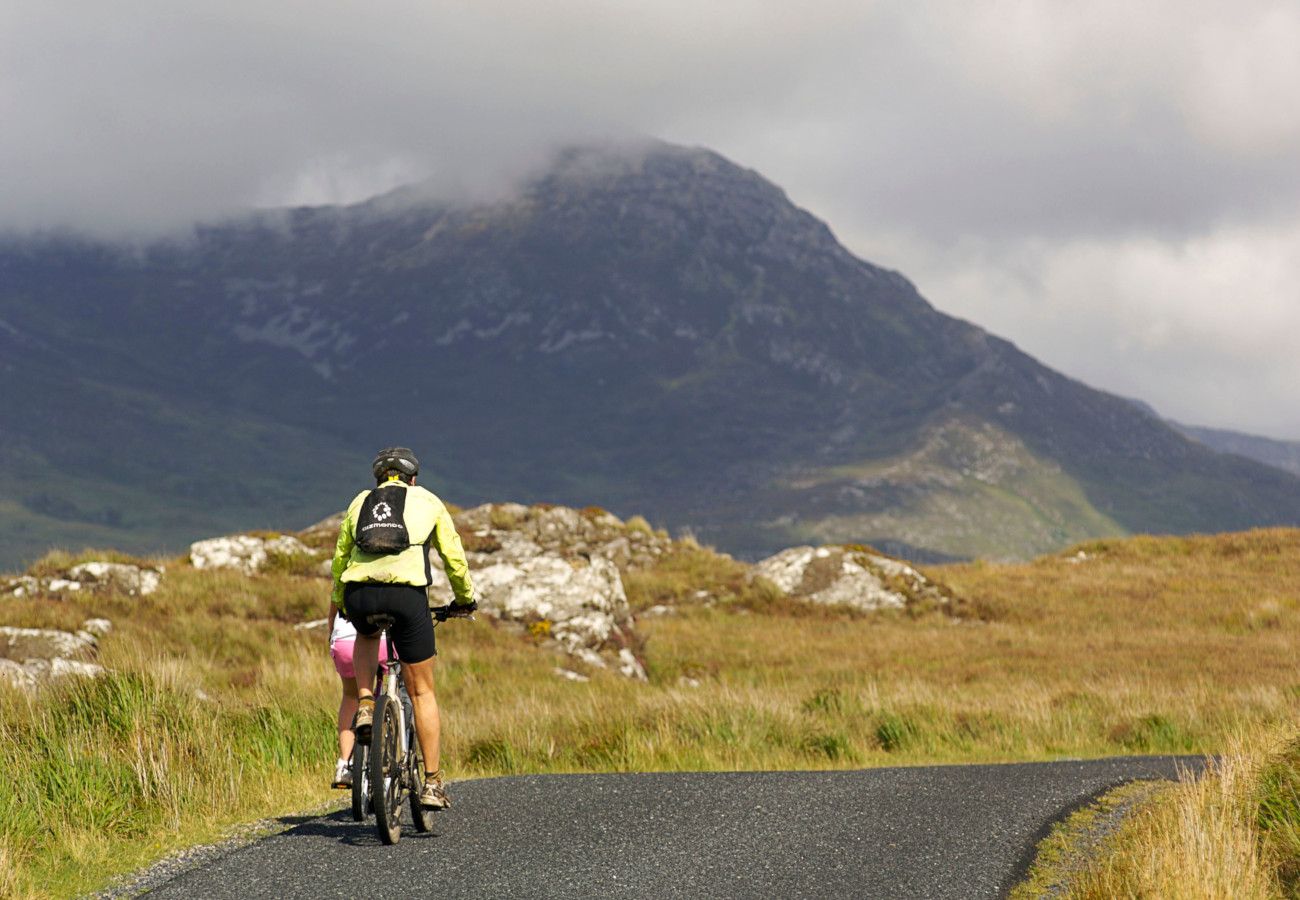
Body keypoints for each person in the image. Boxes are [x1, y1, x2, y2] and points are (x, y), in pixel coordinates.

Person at [330, 447, 476, 809]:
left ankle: (366, 704)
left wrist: (341, 600)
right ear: (413, 478)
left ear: (379, 480)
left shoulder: (360, 502)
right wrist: (465, 598)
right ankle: (431, 783)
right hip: (407, 598)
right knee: (423, 692)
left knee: (366, 634)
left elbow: (339, 557)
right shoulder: (427, 500)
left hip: (360, 593)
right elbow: (453, 557)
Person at [326, 603, 391, 789]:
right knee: (389, 692)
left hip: (344, 641)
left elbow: (333, 613)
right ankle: (384, 760)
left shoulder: (348, 573)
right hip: (383, 641)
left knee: (350, 696)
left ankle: (344, 764)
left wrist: (332, 636)